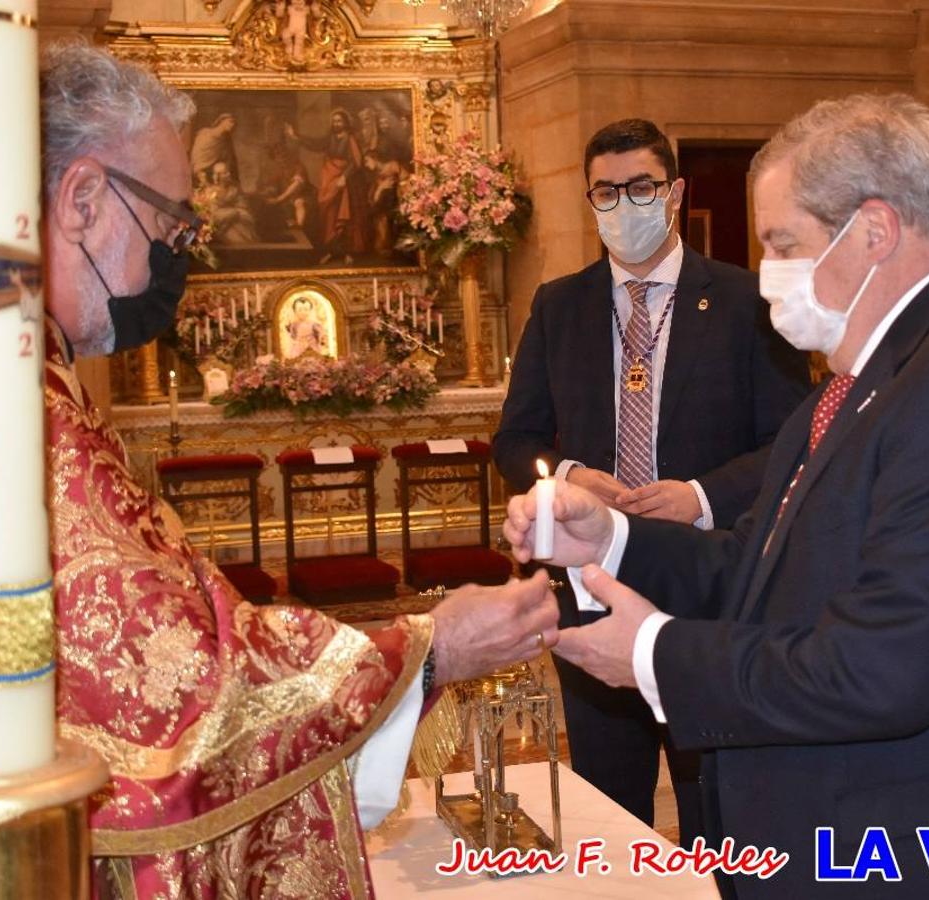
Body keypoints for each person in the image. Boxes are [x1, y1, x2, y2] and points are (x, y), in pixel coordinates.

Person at [505, 94, 929, 897]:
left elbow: (887, 664)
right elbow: (762, 568)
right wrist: (614, 541)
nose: (769, 270)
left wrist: (654, 654)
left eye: (784, 243)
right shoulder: (872, 369)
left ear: (874, 232)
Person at [37, 44, 558, 898]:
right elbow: (184, 696)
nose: (178, 254)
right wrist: (427, 647)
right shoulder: (27, 407)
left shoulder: (36, 376)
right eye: (172, 224)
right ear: (82, 198)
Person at [492, 118, 809, 844]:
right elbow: (514, 438)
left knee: (713, 801)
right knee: (608, 808)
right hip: (594, 581)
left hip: (708, 588)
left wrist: (699, 497)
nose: (622, 204)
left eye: (640, 187)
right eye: (605, 191)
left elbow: (792, 443)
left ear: (674, 193)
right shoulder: (559, 304)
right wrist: (569, 476)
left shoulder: (744, 301)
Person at [287, 110, 371, 265]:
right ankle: (332, 251)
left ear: (345, 122)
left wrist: (344, 177)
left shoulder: (350, 138)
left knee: (345, 216)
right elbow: (316, 144)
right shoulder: (331, 138)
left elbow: (356, 162)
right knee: (329, 216)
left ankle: (348, 253)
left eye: (339, 121)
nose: (336, 124)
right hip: (330, 180)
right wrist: (297, 136)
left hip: (347, 184)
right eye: (334, 121)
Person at [188, 112, 237, 188]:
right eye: (230, 121)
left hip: (217, 178)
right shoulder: (205, 135)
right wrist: (205, 182)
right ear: (222, 121)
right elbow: (197, 158)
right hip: (200, 176)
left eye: (234, 123)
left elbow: (229, 160)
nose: (232, 125)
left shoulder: (226, 140)